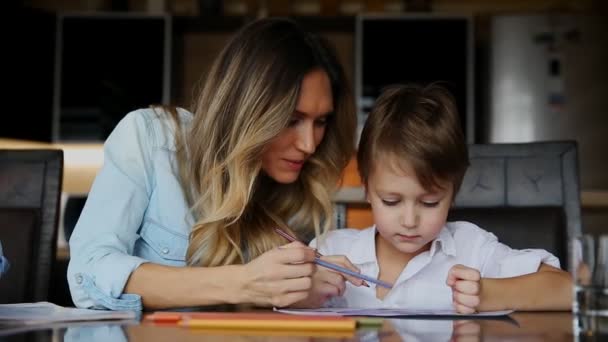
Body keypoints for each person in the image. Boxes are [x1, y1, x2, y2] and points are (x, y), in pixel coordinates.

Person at [67, 17, 365, 311]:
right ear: (245, 109)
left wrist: (304, 286)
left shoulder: (295, 193)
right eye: (291, 120)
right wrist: (245, 284)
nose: (309, 144)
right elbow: (88, 274)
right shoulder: (150, 138)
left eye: (321, 122)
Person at [311, 84, 572, 313]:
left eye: (430, 203)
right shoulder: (332, 251)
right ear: (367, 189)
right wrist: (306, 292)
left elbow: (568, 289)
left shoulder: (472, 249)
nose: (410, 220)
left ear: (453, 194)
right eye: (391, 201)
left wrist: (490, 294)